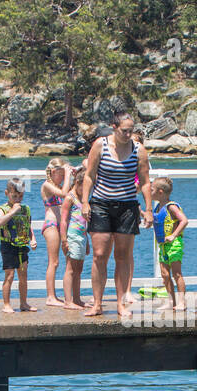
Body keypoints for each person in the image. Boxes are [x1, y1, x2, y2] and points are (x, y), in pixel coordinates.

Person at [81, 113, 152, 318]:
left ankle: (121, 303)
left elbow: (145, 181)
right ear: (114, 127)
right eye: (124, 131)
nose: (128, 134)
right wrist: (85, 202)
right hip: (101, 204)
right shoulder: (100, 145)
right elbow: (89, 175)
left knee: (122, 256)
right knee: (99, 255)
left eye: (131, 131)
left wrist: (148, 209)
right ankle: (97, 303)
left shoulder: (138, 149)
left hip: (127, 206)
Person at [0, 179, 37, 313]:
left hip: (22, 245)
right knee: (10, 275)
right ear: (7, 193)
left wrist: (33, 239)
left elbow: (28, 226)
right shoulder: (2, 209)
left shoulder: (25, 209)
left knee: (23, 275)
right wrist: (12, 211)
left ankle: (23, 303)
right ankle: (6, 304)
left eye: (21, 196)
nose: (18, 199)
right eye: (14, 196)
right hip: (8, 246)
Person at [151, 176, 188, 310]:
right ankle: (171, 301)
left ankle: (182, 302)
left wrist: (173, 235)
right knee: (165, 274)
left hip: (174, 244)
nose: (150, 192)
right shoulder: (157, 208)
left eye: (152, 189)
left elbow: (184, 220)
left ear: (160, 192)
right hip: (163, 245)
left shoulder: (171, 207)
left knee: (176, 273)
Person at [40, 158, 72, 307]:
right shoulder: (47, 185)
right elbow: (64, 194)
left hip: (61, 225)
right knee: (53, 262)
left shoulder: (59, 185)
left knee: (67, 260)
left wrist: (73, 175)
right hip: (51, 225)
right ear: (53, 172)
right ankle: (50, 296)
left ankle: (65, 295)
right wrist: (68, 175)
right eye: (61, 175)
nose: (63, 178)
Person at [59, 164, 90, 310]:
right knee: (70, 269)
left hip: (82, 236)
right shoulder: (70, 198)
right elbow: (63, 220)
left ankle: (77, 299)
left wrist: (87, 241)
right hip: (72, 236)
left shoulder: (83, 199)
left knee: (79, 269)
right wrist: (64, 240)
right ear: (77, 183)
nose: (86, 191)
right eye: (84, 187)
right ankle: (68, 300)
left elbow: (85, 221)